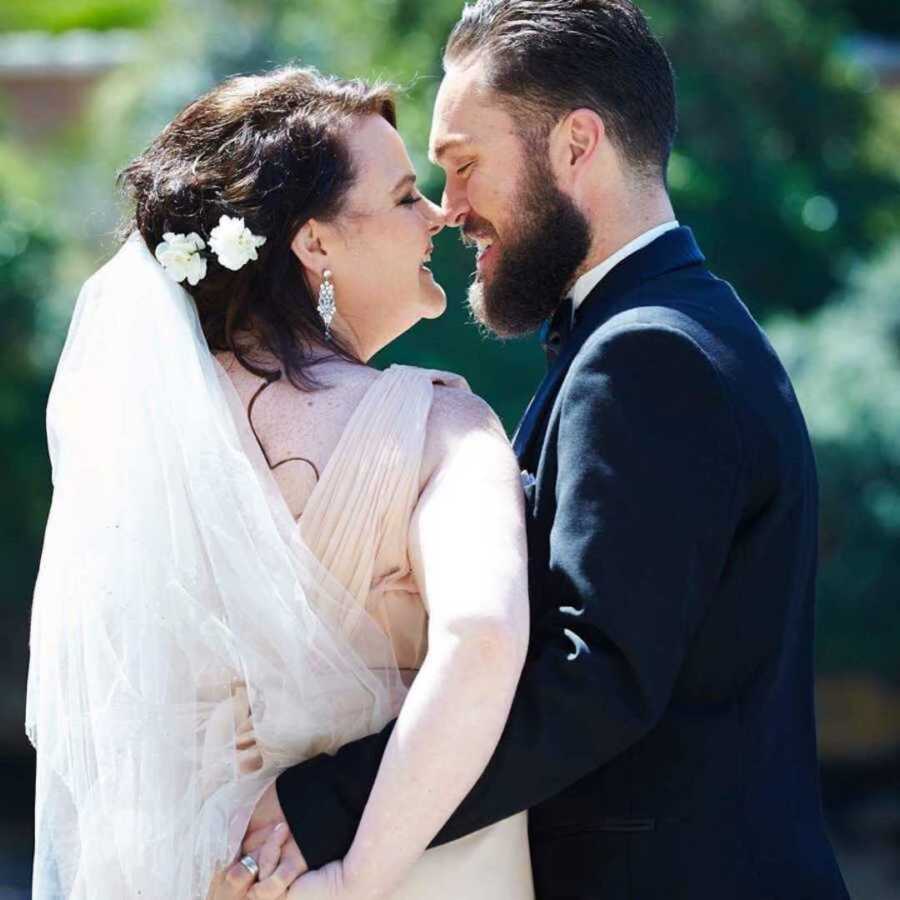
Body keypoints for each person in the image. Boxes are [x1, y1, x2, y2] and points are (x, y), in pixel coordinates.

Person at [248, 2, 852, 899]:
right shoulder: (682, 324)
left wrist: (328, 806)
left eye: (464, 165)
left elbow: (593, 675)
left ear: (576, 145)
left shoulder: (649, 354)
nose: (450, 211)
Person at [26, 66, 535, 899]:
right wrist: (357, 879)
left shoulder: (144, 450)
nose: (440, 215)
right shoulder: (441, 428)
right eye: (408, 196)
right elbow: (482, 635)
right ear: (316, 243)